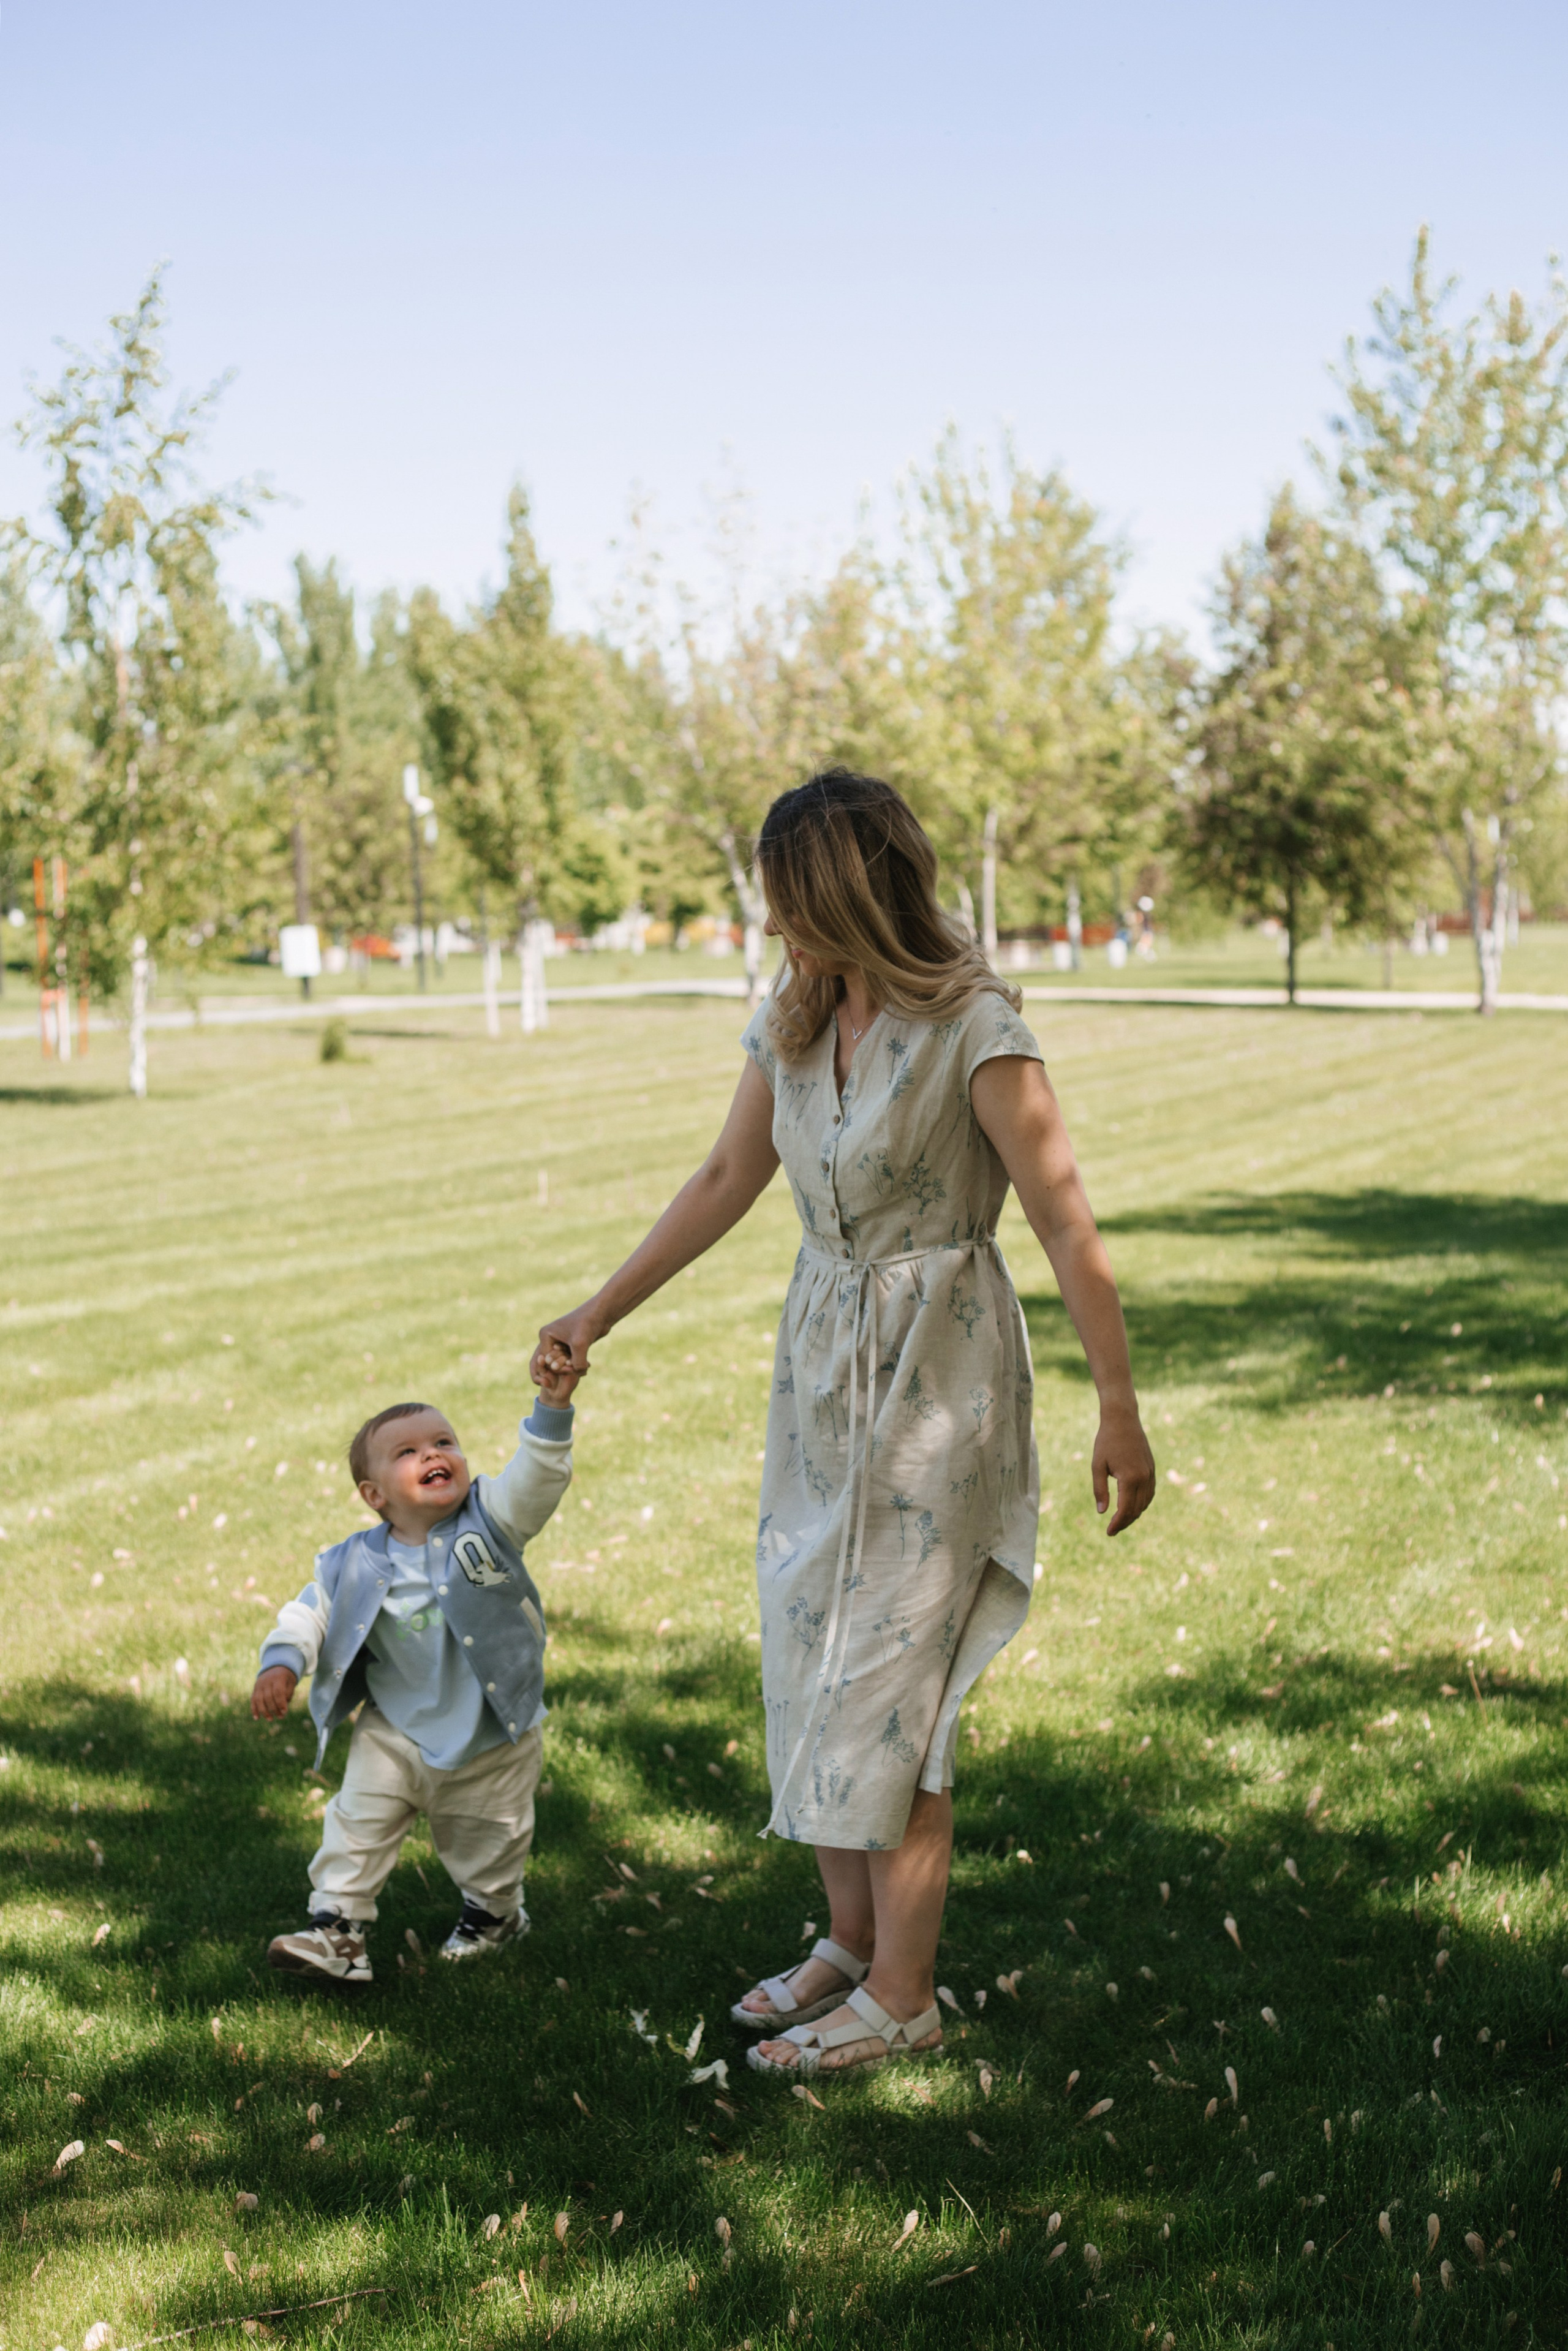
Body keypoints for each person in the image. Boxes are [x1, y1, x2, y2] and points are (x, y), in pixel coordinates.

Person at [533, 769, 1155, 2078]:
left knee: (898, 1689)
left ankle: (904, 1993)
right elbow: (725, 1174)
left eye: (788, 901)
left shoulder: (974, 1025)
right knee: (808, 1643)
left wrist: (1118, 1405)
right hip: (819, 1372)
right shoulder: (798, 1013)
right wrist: (599, 1311)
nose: (775, 928)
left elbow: (1061, 1216)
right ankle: (848, 1938)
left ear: (844, 892)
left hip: (941, 1376)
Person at [252, 1360, 578, 1987]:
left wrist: (551, 1410)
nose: (434, 1453)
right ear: (376, 1495)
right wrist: (283, 1660)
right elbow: (307, 1614)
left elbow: (538, 1479)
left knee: (488, 1841)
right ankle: (337, 1933)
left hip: (490, 1734)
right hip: (393, 1728)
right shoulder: (351, 1561)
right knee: (357, 1825)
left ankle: (495, 1917)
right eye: (408, 1451)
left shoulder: (492, 1523)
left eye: (444, 1442)